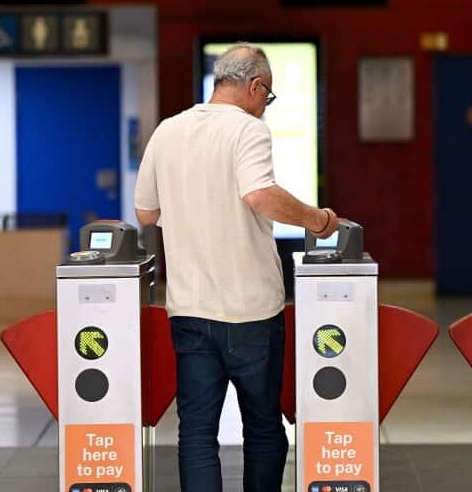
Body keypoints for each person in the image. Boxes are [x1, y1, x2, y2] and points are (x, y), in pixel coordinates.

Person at [134, 44, 339, 492]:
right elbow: (259, 194)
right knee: (263, 428)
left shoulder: (168, 130)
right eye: (268, 98)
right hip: (250, 312)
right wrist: (317, 219)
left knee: (197, 433)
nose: (266, 107)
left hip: (188, 308)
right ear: (255, 87)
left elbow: (146, 213)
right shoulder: (248, 130)